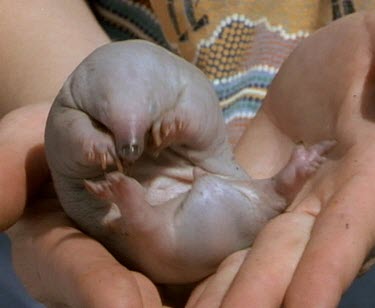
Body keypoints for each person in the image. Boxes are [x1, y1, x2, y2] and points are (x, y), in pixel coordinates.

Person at [1, 0, 375, 307]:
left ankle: (279, 184)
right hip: (175, 218)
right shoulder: (77, 106)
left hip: (241, 197)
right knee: (173, 221)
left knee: (257, 206)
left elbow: (195, 112)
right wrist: (51, 95)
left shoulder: (175, 86)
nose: (131, 142)